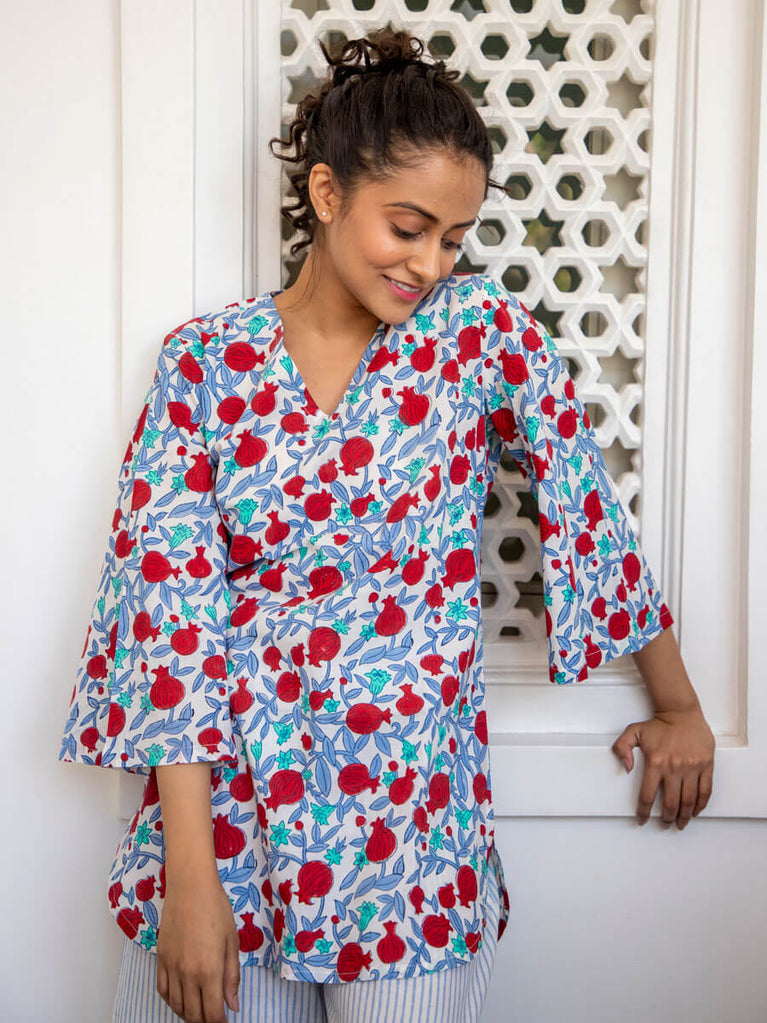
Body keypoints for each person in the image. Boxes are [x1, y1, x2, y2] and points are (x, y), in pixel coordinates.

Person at [58, 25, 715, 1023]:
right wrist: (188, 876)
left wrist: (678, 705)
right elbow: (168, 619)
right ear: (327, 195)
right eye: (406, 227)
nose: (427, 263)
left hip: (411, 838)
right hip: (229, 827)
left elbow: (584, 506)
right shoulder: (204, 364)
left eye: (452, 238)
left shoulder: (478, 335)